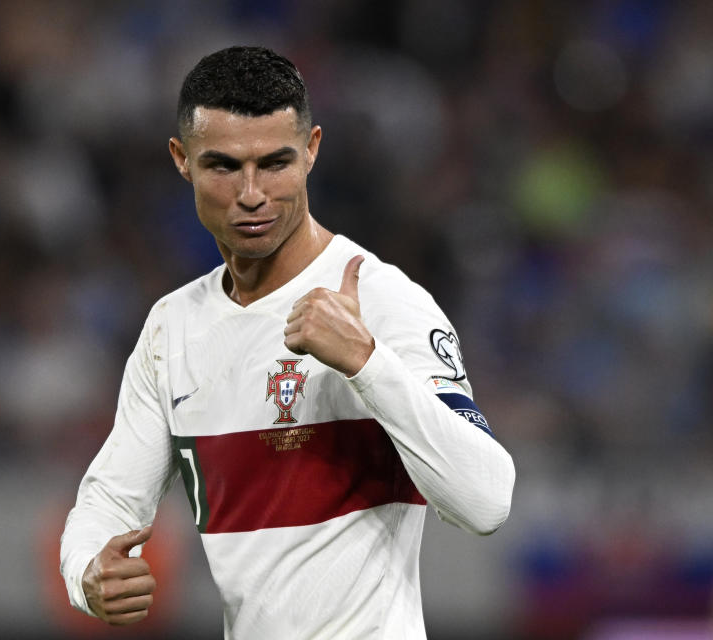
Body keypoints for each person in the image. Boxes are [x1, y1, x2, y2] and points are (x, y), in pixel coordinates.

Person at [60, 46, 515, 639]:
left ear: (312, 151)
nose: (251, 194)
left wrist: (365, 362)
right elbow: (111, 499)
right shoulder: (172, 327)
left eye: (274, 163)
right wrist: (88, 571)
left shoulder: (382, 302)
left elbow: (486, 501)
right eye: (223, 166)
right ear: (181, 160)